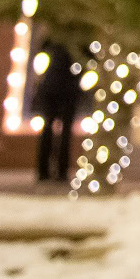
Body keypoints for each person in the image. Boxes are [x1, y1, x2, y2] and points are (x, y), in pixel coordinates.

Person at [32, 38, 83, 183]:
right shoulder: (76, 37)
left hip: (58, 87)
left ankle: (50, 171)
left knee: (53, 129)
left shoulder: (54, 37)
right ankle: (53, 171)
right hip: (64, 88)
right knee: (56, 130)